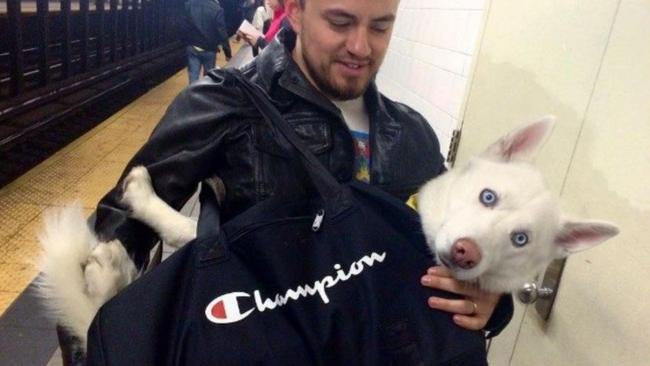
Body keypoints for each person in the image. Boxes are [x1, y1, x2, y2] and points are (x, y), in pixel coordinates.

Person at [94, 0, 512, 356]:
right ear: (295, 10)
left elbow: (462, 242)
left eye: (381, 26)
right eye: (340, 22)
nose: (361, 47)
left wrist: (493, 296)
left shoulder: (411, 134)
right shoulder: (226, 103)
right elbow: (105, 250)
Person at [180, 0, 228, 83]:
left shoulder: (189, 4)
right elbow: (222, 32)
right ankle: (205, 94)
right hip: (209, 49)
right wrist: (227, 52)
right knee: (209, 78)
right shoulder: (216, 8)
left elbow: (184, 27)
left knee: (193, 77)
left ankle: (193, 94)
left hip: (193, 47)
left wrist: (186, 42)